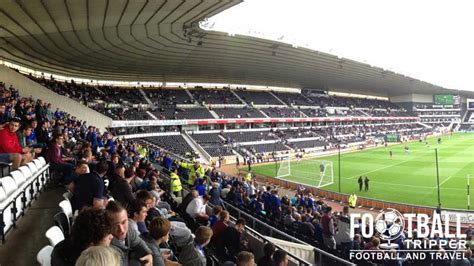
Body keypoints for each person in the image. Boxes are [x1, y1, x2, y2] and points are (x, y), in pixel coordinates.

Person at [106, 201, 153, 266]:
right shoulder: (106, 246)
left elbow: (138, 243)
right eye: (115, 225)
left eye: (124, 222)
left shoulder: (129, 228)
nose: (121, 230)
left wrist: (148, 254)